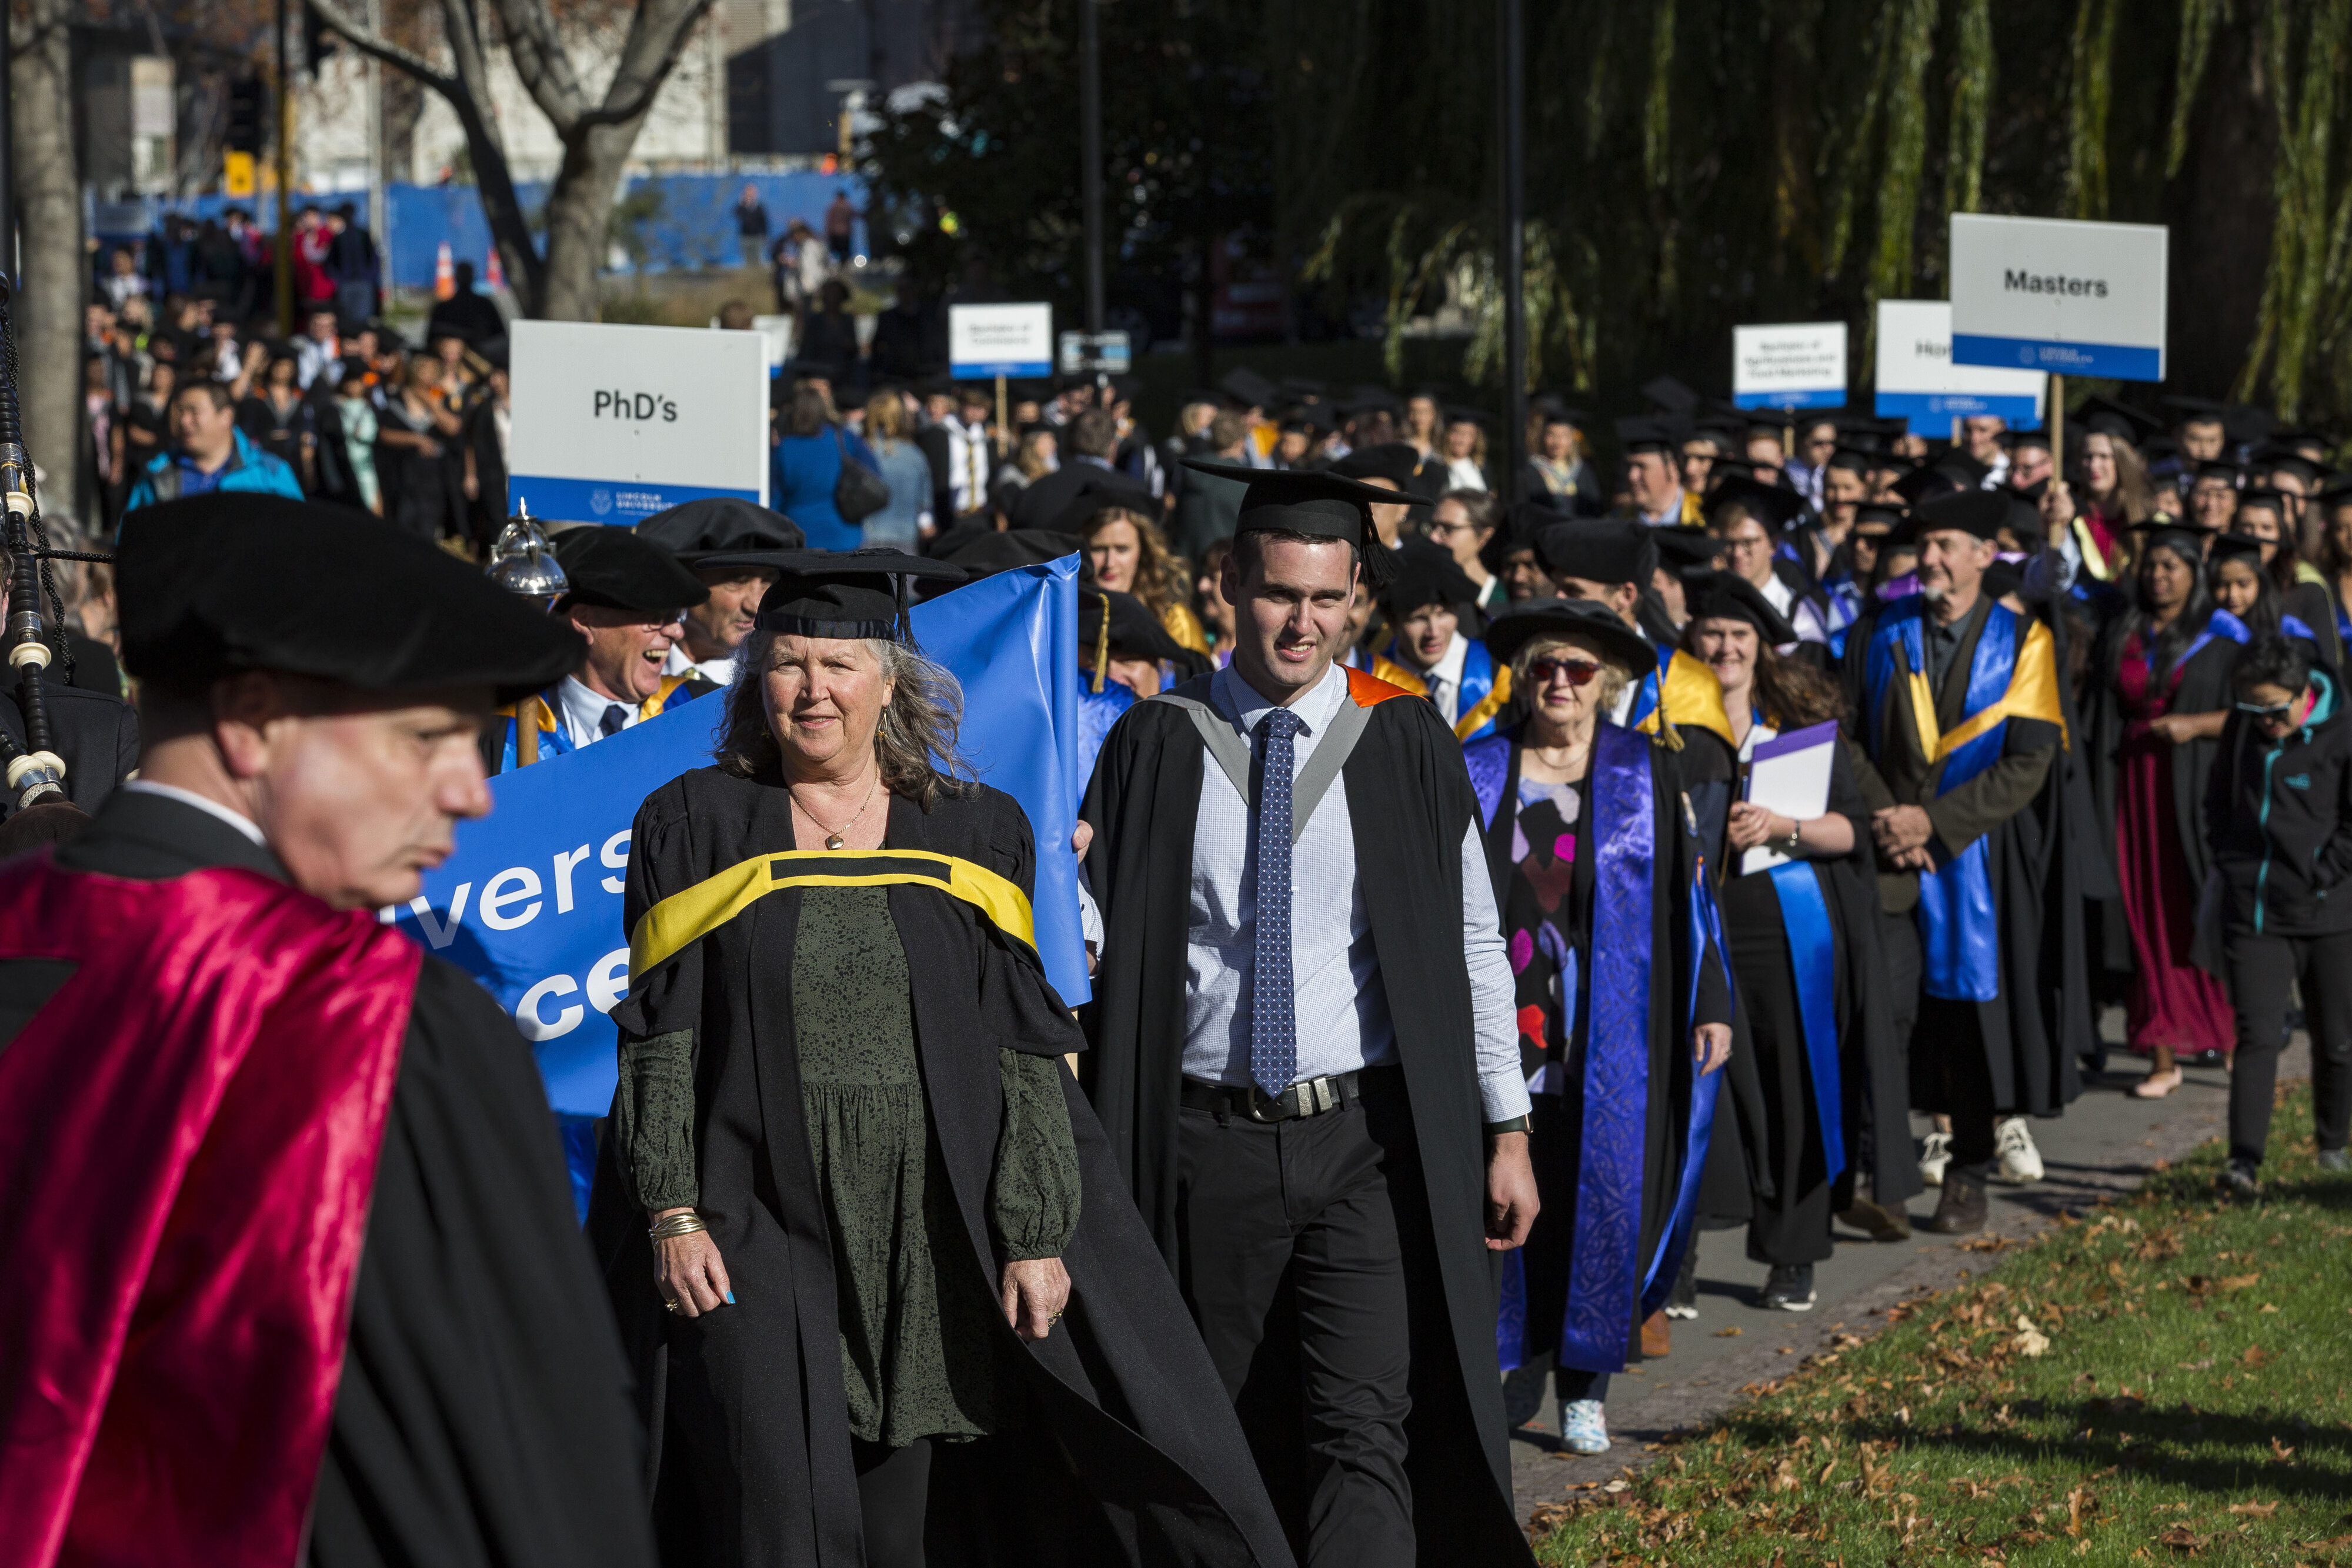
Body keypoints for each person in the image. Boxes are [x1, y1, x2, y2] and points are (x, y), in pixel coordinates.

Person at [583, 550, 1288, 1567]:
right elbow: (660, 1035)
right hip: (750, 1212)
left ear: (889, 684)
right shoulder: (695, 822)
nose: (812, 689)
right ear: (754, 680)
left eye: (838, 665)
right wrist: (671, 1209)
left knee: (895, 1523)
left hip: (924, 1224)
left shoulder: (972, 829)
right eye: (787, 664)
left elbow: (1021, 1047)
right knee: (772, 1499)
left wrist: (1034, 1233)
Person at [0, 494, 656, 1567]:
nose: (471, 794)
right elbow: (539, 1478)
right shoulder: (377, 1027)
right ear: (253, 723)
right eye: (426, 738)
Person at [1080, 462, 1540, 1565]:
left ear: (1356, 600)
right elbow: (1091, 942)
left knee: (1362, 1427)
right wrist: (1056, 883)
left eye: (1328, 599)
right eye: (1281, 594)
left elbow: (1473, 941)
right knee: (1221, 1430)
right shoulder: (1154, 743)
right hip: (1205, 1140)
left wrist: (1507, 1125)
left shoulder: (1404, 740)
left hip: (1360, 1141)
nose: (1303, 624)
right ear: (1230, 584)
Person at [1467, 597, 1731, 1456]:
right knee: (1509, 1192)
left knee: (1599, 1198)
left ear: (1605, 681)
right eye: (1543, 665)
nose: (1559, 681)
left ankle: (1584, 1383)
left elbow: (1690, 896)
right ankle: (1514, 1362)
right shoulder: (1478, 767)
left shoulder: (1643, 772)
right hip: (1503, 1023)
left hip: (1611, 1026)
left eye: (1577, 668)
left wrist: (1711, 1000)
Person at [1680, 573, 1916, 1310]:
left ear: (1761, 647)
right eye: (1713, 634)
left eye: (1739, 636)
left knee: (1794, 1090)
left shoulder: (1798, 729)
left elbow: (1853, 830)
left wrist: (1782, 826)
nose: (1725, 647)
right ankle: (1676, 1261)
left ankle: (1793, 1253)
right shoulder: (1669, 726)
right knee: (1698, 1093)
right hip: (1697, 932)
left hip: (1784, 934)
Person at [1847, 488, 2070, 1234]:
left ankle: (1969, 1172)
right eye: (1925, 545)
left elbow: (2030, 759)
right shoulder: (1880, 629)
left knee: (1970, 1027)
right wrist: (1890, 816)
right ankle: (1886, 1176)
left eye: (1946, 545)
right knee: (1887, 1014)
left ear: (1985, 555)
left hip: (1978, 857)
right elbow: (1847, 733)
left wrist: (1934, 823)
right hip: (1889, 854)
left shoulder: (2025, 640)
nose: (1931, 558)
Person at [2085, 523, 2243, 1095]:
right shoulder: (2123, 632)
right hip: (2132, 789)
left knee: (2199, 908)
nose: (2157, 575)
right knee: (2143, 912)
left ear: (2193, 572)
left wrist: (2194, 725)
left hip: (2195, 792)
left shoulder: (2221, 636)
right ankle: (2160, 1052)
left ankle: (2233, 1039)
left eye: (2170, 566)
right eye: (2150, 565)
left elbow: (2252, 713)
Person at [2206, 634, 2352, 1195]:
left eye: (2273, 709)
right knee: (2257, 1035)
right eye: (2251, 709)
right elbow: (2216, 799)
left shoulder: (2342, 733)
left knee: (2336, 1039)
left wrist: (2323, 872)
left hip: (2327, 911)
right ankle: (2243, 1161)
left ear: (2303, 694)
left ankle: (2332, 1143)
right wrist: (2228, 859)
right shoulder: (2243, 727)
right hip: (2254, 909)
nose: (2264, 722)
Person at [489, 528, 717, 772]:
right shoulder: (502, 730)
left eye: (677, 615)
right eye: (655, 616)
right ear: (584, 621)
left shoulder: (705, 710)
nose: (677, 632)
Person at [638, 495, 805, 688]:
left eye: (768, 582)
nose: (755, 606)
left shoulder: (778, 687)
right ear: (683, 583)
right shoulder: (626, 673)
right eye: (738, 582)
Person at [1369, 542, 1510, 740]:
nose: (1433, 632)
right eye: (1418, 619)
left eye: (1443, 614)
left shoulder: (1498, 674)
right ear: (1391, 621)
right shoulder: (1373, 680)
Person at [121, 381, 305, 512]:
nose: (184, 421)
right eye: (181, 412)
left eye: (194, 412)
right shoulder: (157, 473)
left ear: (226, 417)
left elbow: (301, 535)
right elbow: (129, 540)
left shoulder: (270, 472)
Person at [1077, 491, 1210, 654]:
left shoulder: (1175, 623)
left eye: (1122, 549)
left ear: (1143, 553)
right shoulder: (1067, 618)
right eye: (1099, 549)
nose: (1109, 563)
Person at [772, 379, 883, 552]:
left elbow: (775, 496)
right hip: (844, 534)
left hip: (798, 535)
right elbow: (873, 473)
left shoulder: (784, 448)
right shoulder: (843, 438)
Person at [372, 353, 467, 544]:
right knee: (402, 530)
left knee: (428, 531)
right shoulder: (396, 398)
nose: (430, 375)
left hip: (431, 480)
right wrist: (416, 439)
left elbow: (454, 428)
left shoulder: (440, 398)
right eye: (425, 369)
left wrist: (431, 404)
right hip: (402, 477)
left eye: (434, 370)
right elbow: (384, 434)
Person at [858, 388, 935, 551]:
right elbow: (924, 506)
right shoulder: (915, 455)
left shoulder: (858, 451)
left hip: (864, 539)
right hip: (904, 539)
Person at [235, 348, 315, 491]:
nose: (283, 371)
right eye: (279, 366)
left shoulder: (299, 398)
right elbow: (247, 430)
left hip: (293, 458)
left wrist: (308, 465)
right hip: (264, 457)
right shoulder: (257, 397)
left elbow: (306, 433)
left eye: (287, 367)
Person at [313, 363, 382, 516]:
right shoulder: (333, 409)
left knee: (375, 513)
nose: (354, 386)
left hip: (370, 469)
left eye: (358, 382)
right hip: (345, 470)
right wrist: (333, 480)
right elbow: (326, 447)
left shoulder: (372, 408)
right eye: (350, 382)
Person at [1428, 489, 1505, 609]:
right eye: (1432, 527)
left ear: (1485, 537)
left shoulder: (1506, 599)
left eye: (1448, 529)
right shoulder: (1424, 594)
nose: (1433, 537)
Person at [1614, 416, 1699, 526]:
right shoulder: (1614, 524)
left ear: (1674, 468)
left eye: (1642, 466)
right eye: (1629, 466)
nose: (1632, 476)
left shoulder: (1703, 521)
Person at [1525, 405, 1601, 515]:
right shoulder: (1532, 469)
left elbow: (1595, 509)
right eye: (1551, 435)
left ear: (1572, 439)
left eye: (1564, 435)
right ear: (1543, 437)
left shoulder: (1583, 470)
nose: (1557, 442)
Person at [425, 260, 505, 346]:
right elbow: (500, 334)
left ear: (456, 278)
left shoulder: (443, 308)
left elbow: (430, 339)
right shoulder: (485, 305)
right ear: (473, 277)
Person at [734, 182, 771, 269]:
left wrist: (764, 236)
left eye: (751, 192)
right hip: (745, 237)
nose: (749, 195)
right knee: (747, 261)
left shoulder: (759, 207)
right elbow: (736, 214)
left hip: (757, 237)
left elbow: (764, 223)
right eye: (747, 192)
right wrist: (742, 204)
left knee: (759, 260)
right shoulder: (742, 207)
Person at [824, 186, 858, 264]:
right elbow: (855, 214)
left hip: (835, 233)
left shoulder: (833, 207)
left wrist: (828, 233)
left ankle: (837, 266)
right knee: (844, 252)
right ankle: (843, 265)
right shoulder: (848, 206)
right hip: (845, 233)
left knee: (835, 252)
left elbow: (829, 221)